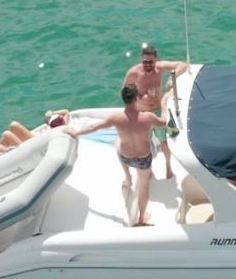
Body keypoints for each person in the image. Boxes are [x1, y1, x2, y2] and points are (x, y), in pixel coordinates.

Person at [68, 85, 168, 227]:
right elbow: (163, 122)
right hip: (143, 158)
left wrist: (75, 133)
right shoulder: (148, 118)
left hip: (125, 157)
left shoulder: (116, 118)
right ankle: (142, 217)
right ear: (136, 98)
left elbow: (93, 128)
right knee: (144, 187)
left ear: (124, 99)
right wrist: (164, 106)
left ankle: (128, 178)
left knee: (118, 142)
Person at [123, 46, 188, 180]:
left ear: (156, 60)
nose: (148, 65)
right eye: (145, 62)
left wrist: (172, 79)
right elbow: (125, 93)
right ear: (141, 60)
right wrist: (139, 98)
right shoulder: (134, 73)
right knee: (145, 143)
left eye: (150, 62)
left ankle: (168, 167)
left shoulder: (159, 68)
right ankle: (149, 170)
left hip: (158, 112)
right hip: (142, 114)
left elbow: (183, 65)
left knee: (164, 142)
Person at [0, 110, 71, 158]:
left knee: (2, 140)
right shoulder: (64, 126)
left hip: (33, 150)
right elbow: (66, 112)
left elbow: (66, 112)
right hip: (36, 141)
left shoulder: (59, 131)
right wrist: (53, 113)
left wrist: (53, 113)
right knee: (13, 125)